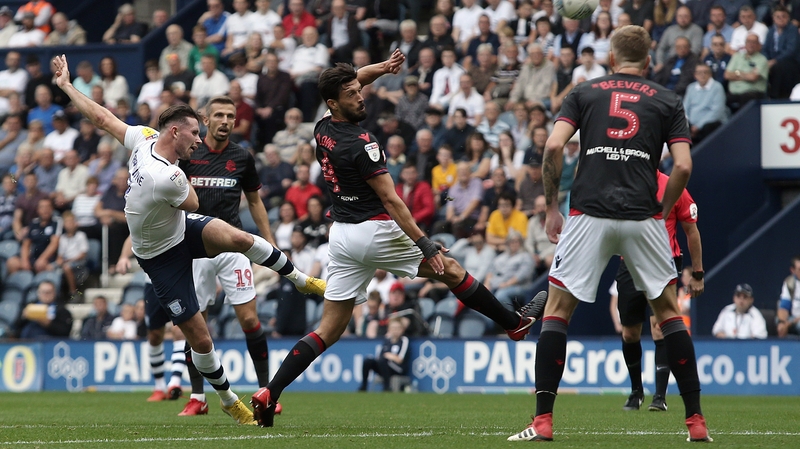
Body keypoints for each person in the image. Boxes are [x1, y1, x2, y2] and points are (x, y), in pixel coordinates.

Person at [251, 51, 547, 427]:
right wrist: (424, 242)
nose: (361, 96)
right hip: (373, 230)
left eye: (360, 89)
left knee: (328, 329)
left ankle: (269, 392)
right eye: (353, 94)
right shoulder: (363, 142)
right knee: (451, 269)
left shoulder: (322, 128)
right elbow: (391, 199)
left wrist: (382, 69)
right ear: (333, 103)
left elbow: (354, 79)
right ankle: (513, 324)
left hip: (341, 236)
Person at [52, 54, 325, 425]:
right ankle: (228, 399)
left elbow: (102, 118)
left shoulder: (145, 138)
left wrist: (67, 87)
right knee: (201, 338)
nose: (200, 140)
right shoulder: (168, 176)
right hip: (160, 257)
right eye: (195, 133)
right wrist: (184, 176)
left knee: (238, 236)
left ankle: (300, 279)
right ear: (175, 133)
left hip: (181, 230)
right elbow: (193, 201)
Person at [506, 25, 711, 443]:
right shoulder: (668, 99)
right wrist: (662, 207)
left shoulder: (584, 92)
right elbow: (684, 167)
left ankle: (543, 421)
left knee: (558, 312)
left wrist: (549, 209)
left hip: (589, 212)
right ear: (649, 61)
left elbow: (552, 148)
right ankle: (696, 423)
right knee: (670, 315)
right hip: (643, 216)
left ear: (612, 59)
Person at [611, 171, 704, 413]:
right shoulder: (625, 183)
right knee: (630, 333)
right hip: (629, 264)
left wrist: (697, 273)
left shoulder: (674, 187)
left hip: (664, 262)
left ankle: (660, 396)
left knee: (660, 327)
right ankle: (636, 390)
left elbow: (691, 231)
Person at [358, 317, 410, 391]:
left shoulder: (404, 340)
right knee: (368, 361)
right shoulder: (387, 341)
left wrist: (389, 356)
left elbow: (400, 359)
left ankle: (387, 387)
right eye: (393, 328)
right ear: (389, 329)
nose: (395, 330)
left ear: (402, 330)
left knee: (384, 360)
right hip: (384, 366)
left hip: (398, 368)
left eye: (397, 328)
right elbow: (380, 356)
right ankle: (363, 387)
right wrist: (386, 357)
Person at [683, 64, 727, 144]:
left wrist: (698, 126)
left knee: (708, 127)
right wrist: (687, 123)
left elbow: (717, 112)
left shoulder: (717, 87)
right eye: (699, 73)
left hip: (710, 123)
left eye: (705, 72)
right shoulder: (691, 87)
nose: (702, 75)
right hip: (692, 124)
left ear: (710, 74)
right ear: (695, 75)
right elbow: (685, 108)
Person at [777, 256, 800, 338]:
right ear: (793, 270)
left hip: (796, 321)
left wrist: (790, 323)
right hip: (793, 318)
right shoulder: (790, 283)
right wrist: (782, 323)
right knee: (779, 323)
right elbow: (784, 307)